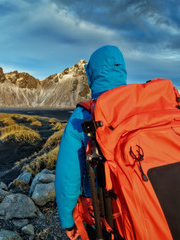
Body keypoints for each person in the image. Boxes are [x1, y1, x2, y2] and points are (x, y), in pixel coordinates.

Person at [55, 45, 127, 238]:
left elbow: (68, 175)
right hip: (145, 204)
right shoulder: (142, 107)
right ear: (123, 70)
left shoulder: (84, 115)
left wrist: (69, 221)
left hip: (103, 210)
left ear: (91, 75)